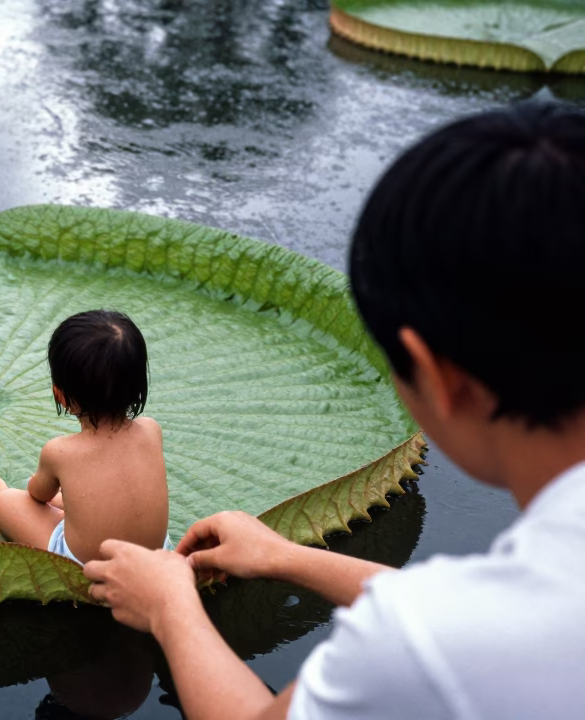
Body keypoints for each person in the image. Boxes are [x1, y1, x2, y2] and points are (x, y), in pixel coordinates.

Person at [83, 101, 585, 719]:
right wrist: (285, 557)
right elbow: (504, 616)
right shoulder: (499, 617)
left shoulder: (426, 641)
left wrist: (169, 608)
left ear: (437, 377)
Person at [0, 309, 172, 565]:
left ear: (60, 394)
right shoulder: (151, 430)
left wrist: (36, 490)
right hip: (156, 559)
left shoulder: (59, 452)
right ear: (139, 386)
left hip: (88, 568)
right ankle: (73, 506)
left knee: (6, 503)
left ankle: (5, 495)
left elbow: (38, 494)